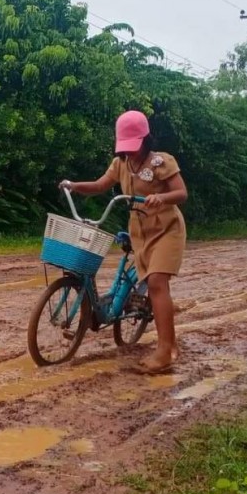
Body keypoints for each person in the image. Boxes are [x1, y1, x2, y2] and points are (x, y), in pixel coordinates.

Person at [60, 110, 188, 373]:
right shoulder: (120, 164)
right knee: (152, 285)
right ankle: (170, 341)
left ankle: (164, 352)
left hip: (166, 230)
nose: (129, 152)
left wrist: (161, 198)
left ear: (145, 139)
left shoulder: (161, 162)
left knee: (156, 283)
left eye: (134, 146)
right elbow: (99, 185)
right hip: (141, 233)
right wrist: (73, 185)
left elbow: (181, 193)